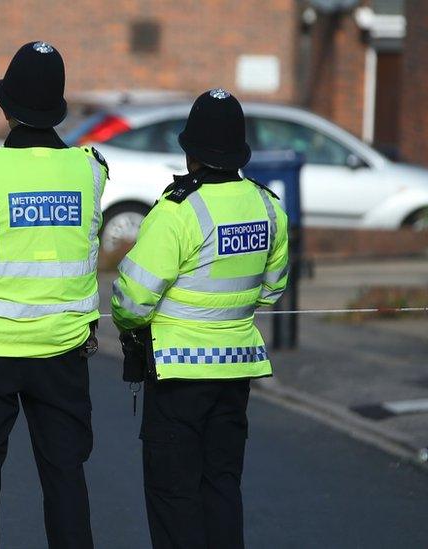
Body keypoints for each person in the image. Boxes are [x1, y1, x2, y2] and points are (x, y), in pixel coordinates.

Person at [0, 41, 106, 549]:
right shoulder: (90, 170)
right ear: (57, 109)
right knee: (65, 477)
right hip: (62, 350)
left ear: (6, 107)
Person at [111, 89, 289, 549]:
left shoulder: (178, 210)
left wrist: (132, 326)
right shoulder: (268, 206)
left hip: (178, 374)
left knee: (174, 496)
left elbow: (132, 297)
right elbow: (271, 292)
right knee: (222, 486)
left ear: (189, 151)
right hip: (235, 370)